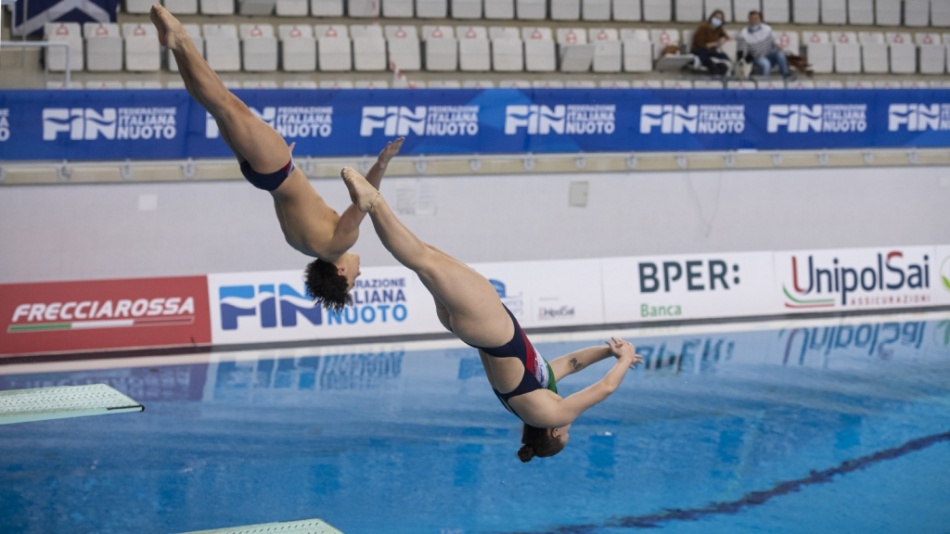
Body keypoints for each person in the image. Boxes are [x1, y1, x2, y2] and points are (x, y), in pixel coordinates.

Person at [338, 166, 644, 462]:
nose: (569, 428)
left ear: (553, 433)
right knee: (424, 253)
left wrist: (626, 359)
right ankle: (372, 201)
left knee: (422, 258)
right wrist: (608, 352)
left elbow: (605, 388)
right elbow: (572, 364)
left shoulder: (549, 413)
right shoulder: (541, 393)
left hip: (487, 327)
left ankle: (372, 203)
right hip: (476, 327)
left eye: (565, 435)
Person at [149, 4, 403, 311]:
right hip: (263, 175)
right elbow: (293, 203)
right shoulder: (302, 245)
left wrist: (382, 163)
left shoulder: (341, 244)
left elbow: (365, 200)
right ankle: (176, 47)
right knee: (214, 105)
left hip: (278, 169)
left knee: (224, 102)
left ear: (338, 271)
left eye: (353, 279)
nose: (359, 273)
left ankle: (181, 39)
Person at [736, 10, 792, 80]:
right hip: (756, 57)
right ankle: (764, 83)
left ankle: (786, 75)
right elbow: (741, 51)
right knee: (766, 64)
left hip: (769, 54)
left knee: (780, 54)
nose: (754, 20)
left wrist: (779, 45)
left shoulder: (767, 28)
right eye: (752, 18)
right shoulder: (743, 34)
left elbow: (775, 40)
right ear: (749, 20)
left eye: (756, 19)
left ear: (760, 20)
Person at [690, 9, 732, 76]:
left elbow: (726, 36)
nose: (718, 20)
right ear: (712, 17)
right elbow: (700, 44)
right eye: (716, 18)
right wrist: (716, 43)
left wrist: (723, 39)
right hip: (699, 50)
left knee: (724, 61)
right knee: (711, 65)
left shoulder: (718, 28)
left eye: (720, 19)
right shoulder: (703, 28)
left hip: (711, 51)